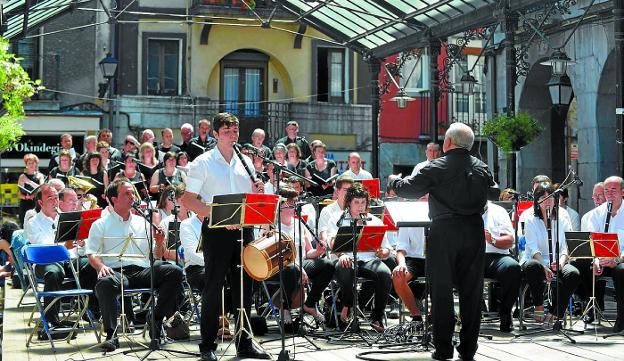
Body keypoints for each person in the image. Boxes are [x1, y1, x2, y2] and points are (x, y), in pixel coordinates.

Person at [388, 123, 498, 360]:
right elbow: (494, 192)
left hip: (445, 229)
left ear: (448, 143)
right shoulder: (482, 167)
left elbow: (408, 190)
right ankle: (468, 350)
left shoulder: (437, 166)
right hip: (473, 230)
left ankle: (443, 349)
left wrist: (394, 181)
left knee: (441, 290)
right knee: (472, 291)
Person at [181, 112, 268, 361]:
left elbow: (251, 200)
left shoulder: (246, 163)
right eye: (227, 131)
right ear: (216, 134)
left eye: (236, 131)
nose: (233, 135)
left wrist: (257, 191)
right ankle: (207, 346)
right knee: (213, 288)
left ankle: (244, 343)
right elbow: (188, 200)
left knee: (244, 289)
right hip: (217, 232)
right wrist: (217, 216)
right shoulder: (203, 162)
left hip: (244, 230)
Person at [85, 179, 184, 351]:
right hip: (117, 271)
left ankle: (156, 317)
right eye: (126, 193)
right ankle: (111, 333)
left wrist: (160, 242)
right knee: (105, 283)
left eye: (133, 193)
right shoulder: (100, 224)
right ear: (113, 199)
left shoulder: (142, 222)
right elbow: (91, 253)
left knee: (174, 271)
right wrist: (101, 267)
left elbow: (157, 255)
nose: (132, 196)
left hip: (142, 270)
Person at [326, 182, 393, 332]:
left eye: (363, 202)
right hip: (346, 259)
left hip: (368, 260)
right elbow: (331, 242)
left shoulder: (375, 221)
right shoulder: (337, 218)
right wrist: (341, 254)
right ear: (349, 202)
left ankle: (377, 317)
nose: (360, 206)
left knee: (385, 274)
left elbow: (387, 248)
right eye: (356, 202)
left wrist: (383, 253)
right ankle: (347, 305)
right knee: (346, 267)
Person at [521, 183, 579, 324]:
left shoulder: (563, 215)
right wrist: (544, 266)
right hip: (537, 259)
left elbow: (567, 245)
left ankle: (555, 311)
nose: (548, 201)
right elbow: (532, 248)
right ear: (537, 200)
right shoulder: (529, 217)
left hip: (559, 259)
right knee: (532, 267)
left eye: (551, 197)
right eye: (543, 197)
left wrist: (560, 262)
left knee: (573, 273)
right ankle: (539, 305)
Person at [277, 187, 333, 323]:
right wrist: (299, 267)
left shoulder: (299, 223)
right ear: (281, 205)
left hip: (301, 263)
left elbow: (308, 252)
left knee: (328, 265)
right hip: (282, 265)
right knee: (292, 269)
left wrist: (319, 251)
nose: (294, 205)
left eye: (295, 202)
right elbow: (279, 255)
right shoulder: (273, 225)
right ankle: (285, 308)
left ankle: (310, 304)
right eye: (290, 202)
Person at [578, 176, 624, 331]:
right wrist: (596, 259)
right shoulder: (596, 214)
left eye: (613, 190)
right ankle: (592, 305)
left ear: (622, 192)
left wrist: (618, 259)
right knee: (582, 263)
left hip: (621, 259)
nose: (609, 194)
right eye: (606, 190)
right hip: (601, 258)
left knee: (621, 271)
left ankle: (621, 317)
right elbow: (592, 239)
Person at [482, 201, 521, 332]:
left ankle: (505, 311)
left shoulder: (498, 211)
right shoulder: (462, 208)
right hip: (471, 257)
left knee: (512, 267)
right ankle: (470, 312)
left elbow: (510, 240)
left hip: (496, 256)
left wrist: (492, 239)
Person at [391, 225, 426, 324]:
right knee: (398, 276)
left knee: (443, 275)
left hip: (437, 258)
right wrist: (401, 264)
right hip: (413, 259)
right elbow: (400, 249)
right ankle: (416, 317)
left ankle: (433, 317)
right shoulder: (408, 217)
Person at [18, 153, 45, 226]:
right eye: (29, 163)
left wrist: (29, 182)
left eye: (33, 163)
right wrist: (26, 197)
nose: (31, 165)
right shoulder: (22, 176)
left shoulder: (40, 176)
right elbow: (19, 194)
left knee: (37, 225)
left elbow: (42, 188)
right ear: (26, 164)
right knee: (24, 225)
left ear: (36, 164)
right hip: (25, 204)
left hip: (36, 203)